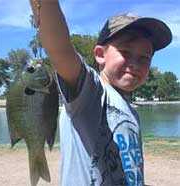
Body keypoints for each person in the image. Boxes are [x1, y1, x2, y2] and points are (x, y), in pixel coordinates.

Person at [30, 1, 172, 186]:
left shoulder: (131, 111)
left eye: (144, 57)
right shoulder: (89, 93)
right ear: (100, 54)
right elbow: (60, 50)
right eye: (125, 52)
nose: (135, 64)